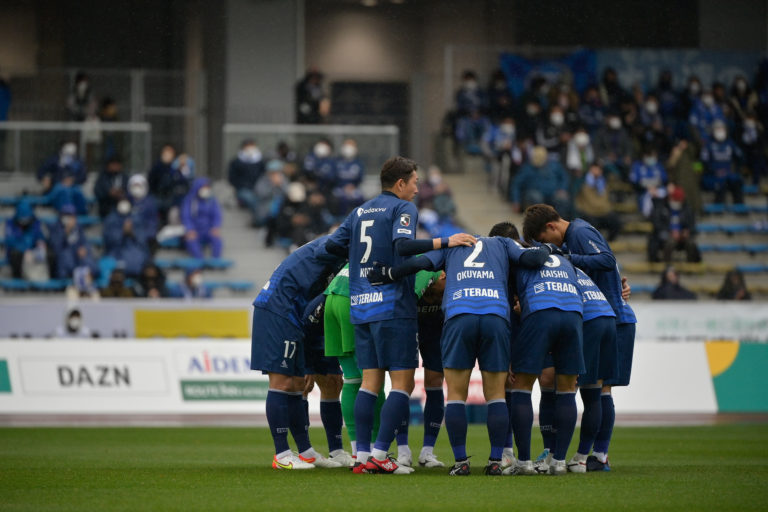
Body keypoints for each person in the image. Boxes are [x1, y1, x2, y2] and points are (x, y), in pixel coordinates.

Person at [327, 156, 476, 474]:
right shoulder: (403, 208)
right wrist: (445, 241)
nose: (417, 189)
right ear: (400, 183)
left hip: (361, 304)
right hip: (392, 306)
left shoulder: (359, 211)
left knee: (369, 383)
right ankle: (382, 455)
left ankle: (363, 455)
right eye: (415, 182)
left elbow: (333, 246)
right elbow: (404, 246)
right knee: (401, 384)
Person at [366, 224, 552, 476]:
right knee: (496, 395)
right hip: (495, 316)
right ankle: (496, 461)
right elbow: (533, 259)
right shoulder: (504, 243)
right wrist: (548, 248)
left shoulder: (453, 243)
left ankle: (461, 462)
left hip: (459, 315)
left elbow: (420, 263)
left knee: (455, 395)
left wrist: (390, 274)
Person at [523, 204, 636, 472]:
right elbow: (605, 268)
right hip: (603, 313)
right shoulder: (574, 237)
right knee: (589, 387)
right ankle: (581, 454)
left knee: (596, 389)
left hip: (610, 317)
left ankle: (593, 454)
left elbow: (606, 260)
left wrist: (569, 258)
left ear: (551, 226)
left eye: (544, 239)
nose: (548, 246)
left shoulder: (579, 232)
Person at [250, 234, 348, 470]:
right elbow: (323, 252)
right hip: (280, 310)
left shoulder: (341, 249)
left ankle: (305, 451)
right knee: (283, 382)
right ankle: (282, 454)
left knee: (296, 383)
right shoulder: (337, 245)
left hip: (295, 313)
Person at [505, 239, 584, 476]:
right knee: (567, 389)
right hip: (573, 315)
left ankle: (524, 462)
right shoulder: (564, 260)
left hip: (540, 312)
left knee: (521, 387)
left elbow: (511, 301)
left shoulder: (520, 260)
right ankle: (558, 462)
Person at [300, 294, 355, 467]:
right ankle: (303, 450)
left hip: (326, 331)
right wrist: (307, 366)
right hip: (301, 326)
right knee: (302, 385)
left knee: (334, 382)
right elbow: (305, 326)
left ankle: (336, 450)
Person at [647, 186, 701, 264]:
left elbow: (692, 225)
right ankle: (667, 266)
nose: (677, 202)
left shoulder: (687, 209)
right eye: (676, 200)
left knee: (691, 243)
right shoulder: (661, 207)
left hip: (682, 237)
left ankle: (691, 265)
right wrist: (670, 231)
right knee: (669, 242)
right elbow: (657, 224)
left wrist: (687, 231)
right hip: (667, 235)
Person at [510, 146, 570, 214]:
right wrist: (516, 201)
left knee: (562, 199)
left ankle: (559, 218)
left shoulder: (555, 165)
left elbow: (564, 177)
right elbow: (516, 184)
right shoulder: (527, 168)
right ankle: (540, 218)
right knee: (535, 197)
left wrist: (562, 188)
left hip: (553, 193)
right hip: (535, 194)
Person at [701, 121, 744, 205]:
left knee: (737, 181)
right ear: (713, 131)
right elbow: (703, 162)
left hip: (728, 174)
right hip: (713, 176)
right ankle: (718, 206)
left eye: (722, 128)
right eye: (718, 129)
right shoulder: (708, 144)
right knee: (721, 183)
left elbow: (740, 157)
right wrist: (712, 171)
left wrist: (736, 169)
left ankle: (739, 207)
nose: (720, 131)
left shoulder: (730, 143)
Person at [103, 200, 150, 277]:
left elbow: (143, 240)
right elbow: (108, 241)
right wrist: (122, 233)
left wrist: (132, 233)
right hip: (116, 251)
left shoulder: (136, 219)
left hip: (135, 252)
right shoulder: (111, 219)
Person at [3, 199, 47, 279]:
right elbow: (9, 241)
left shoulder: (35, 222)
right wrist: (25, 250)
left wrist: (39, 244)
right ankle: (17, 278)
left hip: (31, 256)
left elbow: (39, 236)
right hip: (18, 256)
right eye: (22, 220)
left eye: (26, 220)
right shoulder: (10, 223)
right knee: (15, 253)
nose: (24, 223)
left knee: (47, 253)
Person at [181, 178, 223, 259]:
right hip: (194, 229)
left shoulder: (212, 200)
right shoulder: (189, 200)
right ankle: (199, 259)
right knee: (191, 241)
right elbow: (186, 216)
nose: (206, 190)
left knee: (217, 239)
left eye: (207, 187)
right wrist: (190, 229)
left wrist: (215, 227)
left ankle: (215, 260)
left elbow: (217, 215)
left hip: (208, 229)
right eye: (204, 187)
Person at [228, 139, 265, 226]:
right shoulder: (236, 162)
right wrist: (241, 186)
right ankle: (259, 220)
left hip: (259, 188)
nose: (250, 149)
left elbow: (263, 176)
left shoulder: (261, 162)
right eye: (248, 146)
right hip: (243, 189)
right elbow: (232, 178)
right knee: (251, 199)